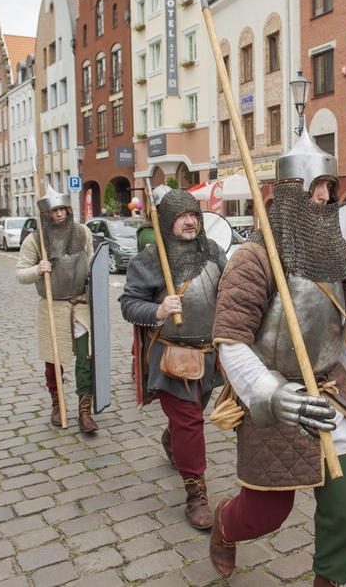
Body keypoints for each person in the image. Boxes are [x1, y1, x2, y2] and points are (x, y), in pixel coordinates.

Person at [209, 134, 346, 586]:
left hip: (331, 391)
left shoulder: (333, 251)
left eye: (329, 187)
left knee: (345, 506)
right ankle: (225, 524)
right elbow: (231, 342)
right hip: (274, 394)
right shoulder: (252, 259)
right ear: (287, 191)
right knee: (264, 514)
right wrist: (276, 396)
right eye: (314, 186)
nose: (323, 196)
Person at [119, 187, 227, 530]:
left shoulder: (213, 252)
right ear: (167, 221)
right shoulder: (149, 260)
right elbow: (128, 304)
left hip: (211, 353)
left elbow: (231, 288)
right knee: (191, 421)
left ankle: (171, 438)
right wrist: (158, 308)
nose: (190, 221)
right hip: (173, 355)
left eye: (194, 214)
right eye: (182, 216)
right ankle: (196, 495)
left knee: (194, 413)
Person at [15, 189, 99, 433]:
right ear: (46, 214)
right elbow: (20, 273)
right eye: (55, 210)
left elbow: (93, 262)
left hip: (81, 304)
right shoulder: (35, 240)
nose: (60, 214)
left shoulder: (82, 232)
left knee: (86, 358)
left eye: (63, 209)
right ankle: (57, 404)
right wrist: (37, 270)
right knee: (54, 361)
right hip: (53, 306)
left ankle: (84, 411)